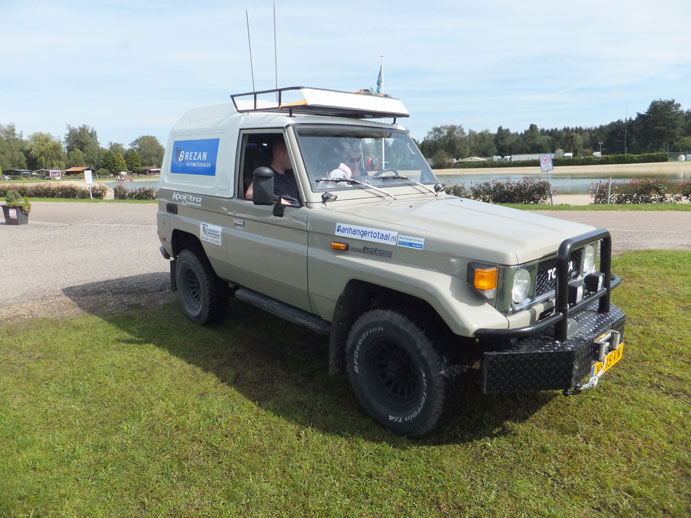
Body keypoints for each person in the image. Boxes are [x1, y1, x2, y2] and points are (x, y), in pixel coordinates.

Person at [245, 136, 300, 206]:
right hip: (281, 212)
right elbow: (249, 194)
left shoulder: (293, 175)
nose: (294, 159)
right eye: (291, 155)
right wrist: (278, 200)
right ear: (281, 153)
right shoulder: (266, 175)